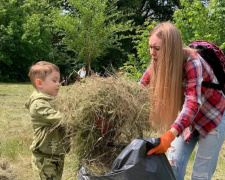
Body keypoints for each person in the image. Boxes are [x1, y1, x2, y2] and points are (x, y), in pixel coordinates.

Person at [144, 22, 225, 180]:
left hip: (212, 118)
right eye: (150, 47)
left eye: (157, 48)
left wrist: (169, 135)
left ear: (171, 48)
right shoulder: (158, 62)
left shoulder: (193, 62)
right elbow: (140, 89)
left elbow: (192, 102)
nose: (152, 53)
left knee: (200, 176)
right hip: (187, 121)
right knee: (171, 170)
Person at [25, 61, 70, 180]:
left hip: (56, 154)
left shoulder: (51, 101)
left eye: (58, 80)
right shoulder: (38, 104)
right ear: (39, 83)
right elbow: (62, 119)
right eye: (54, 81)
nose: (59, 84)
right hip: (45, 158)